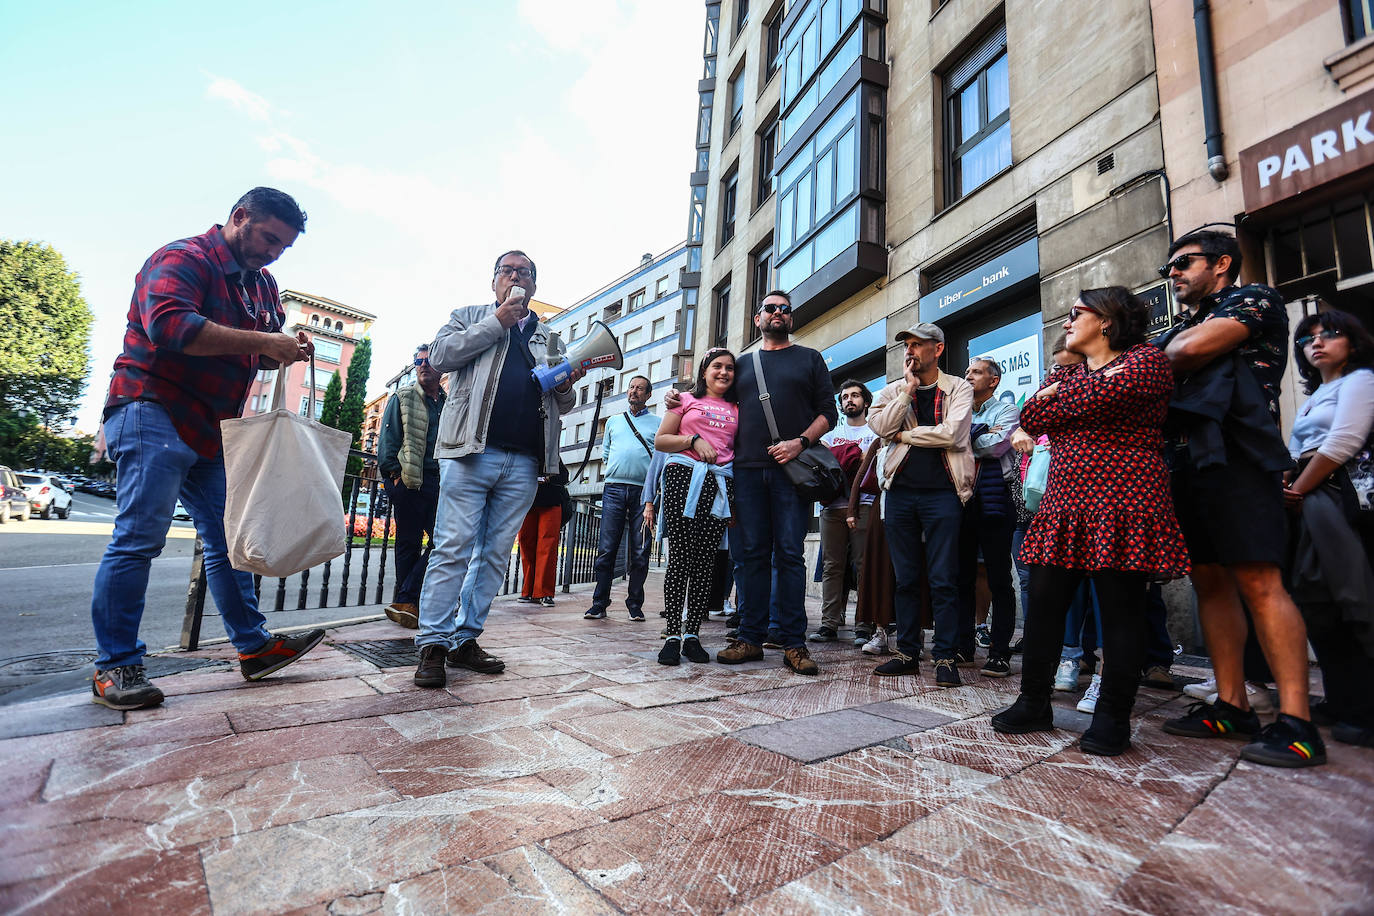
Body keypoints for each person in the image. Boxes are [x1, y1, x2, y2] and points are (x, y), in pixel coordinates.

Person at [91, 187, 324, 710]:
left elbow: (262, 351)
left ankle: (254, 648)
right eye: (269, 239)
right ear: (239, 217)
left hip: (213, 426)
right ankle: (115, 666)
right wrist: (263, 342)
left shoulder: (263, 285)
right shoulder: (183, 257)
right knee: (138, 540)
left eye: (284, 247)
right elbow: (170, 326)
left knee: (229, 540)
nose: (274, 254)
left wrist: (285, 348)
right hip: (152, 406)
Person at [992, 287, 1189, 755]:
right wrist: (1065, 394)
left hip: (1124, 500)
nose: (1066, 322)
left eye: (1076, 313)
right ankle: (1033, 702)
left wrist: (1064, 396)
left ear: (1106, 320)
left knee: (1120, 612)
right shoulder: (1071, 372)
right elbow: (1032, 415)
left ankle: (1113, 717)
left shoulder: (1146, 360)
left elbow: (1094, 399)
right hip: (1064, 503)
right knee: (1044, 607)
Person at [1155, 229, 1324, 768]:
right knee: (1209, 580)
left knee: (1259, 580)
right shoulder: (1184, 321)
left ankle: (1297, 724)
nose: (1173, 273)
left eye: (1184, 263)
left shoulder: (1254, 298)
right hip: (1185, 462)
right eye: (1169, 267)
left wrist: (1159, 359)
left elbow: (1184, 352)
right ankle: (1232, 705)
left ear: (1222, 262)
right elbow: (1162, 360)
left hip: (1240, 458)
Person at [412, 251, 581, 688]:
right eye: (507, 270)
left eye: (524, 272)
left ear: (535, 285)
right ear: (494, 282)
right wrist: (496, 322)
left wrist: (566, 384)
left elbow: (564, 403)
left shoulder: (550, 338)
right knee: (452, 548)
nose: (515, 276)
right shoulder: (467, 316)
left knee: (493, 554)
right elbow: (441, 357)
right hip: (469, 452)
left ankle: (465, 638)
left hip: (524, 462)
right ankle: (432, 643)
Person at [709, 291, 838, 676]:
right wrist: (677, 402)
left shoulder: (810, 358)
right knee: (750, 556)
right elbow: (715, 403)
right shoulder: (742, 365)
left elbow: (827, 413)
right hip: (746, 471)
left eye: (784, 309)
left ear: (790, 319)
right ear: (757, 319)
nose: (778, 313)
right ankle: (750, 637)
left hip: (792, 472)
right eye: (770, 308)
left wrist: (800, 443)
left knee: (789, 554)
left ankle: (793, 643)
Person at [1283, 309, 1374, 747]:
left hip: (1342, 497)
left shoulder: (1361, 380)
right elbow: (1296, 449)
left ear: (1352, 342)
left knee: (1354, 597)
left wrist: (1297, 489)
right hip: (1311, 499)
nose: (1316, 343)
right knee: (1319, 601)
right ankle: (1342, 700)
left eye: (1330, 334)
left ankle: (1366, 711)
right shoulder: (1317, 393)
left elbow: (1342, 443)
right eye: (1308, 338)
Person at [867, 322, 975, 686]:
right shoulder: (892, 390)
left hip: (944, 493)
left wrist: (905, 435)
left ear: (938, 349)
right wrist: (907, 393)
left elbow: (954, 435)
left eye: (918, 344)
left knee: (944, 579)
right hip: (900, 494)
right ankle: (907, 653)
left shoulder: (959, 387)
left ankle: (945, 656)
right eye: (907, 345)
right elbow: (882, 428)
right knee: (906, 579)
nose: (910, 351)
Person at [654, 348, 740, 664]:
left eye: (729, 367)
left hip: (719, 484)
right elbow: (661, 440)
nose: (723, 372)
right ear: (704, 371)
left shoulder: (738, 407)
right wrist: (692, 440)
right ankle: (672, 635)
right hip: (683, 477)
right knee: (680, 557)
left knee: (705, 562)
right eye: (717, 366)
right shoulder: (684, 400)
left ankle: (692, 635)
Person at [958, 357, 1021, 677]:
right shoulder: (958, 411)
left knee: (999, 579)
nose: (968, 376)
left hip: (997, 501)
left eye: (976, 372)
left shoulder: (1008, 410)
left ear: (993, 380)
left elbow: (995, 447)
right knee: (962, 578)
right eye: (967, 372)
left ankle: (999, 652)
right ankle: (963, 647)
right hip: (961, 499)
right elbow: (949, 443)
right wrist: (975, 433)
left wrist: (964, 438)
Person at [376, 344, 445, 629]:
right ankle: (409, 607)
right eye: (418, 362)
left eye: (428, 361)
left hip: (439, 482)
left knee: (443, 540)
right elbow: (388, 439)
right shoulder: (402, 396)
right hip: (408, 480)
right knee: (408, 544)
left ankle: (406, 598)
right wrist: (394, 476)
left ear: (441, 365)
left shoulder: (448, 402)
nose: (423, 365)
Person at [586, 375, 660, 621]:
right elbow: (606, 453)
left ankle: (635, 605)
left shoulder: (658, 423)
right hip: (614, 489)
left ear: (648, 395)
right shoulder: (614, 422)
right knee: (606, 549)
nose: (634, 391)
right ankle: (599, 603)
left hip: (644, 493)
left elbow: (660, 459)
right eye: (631, 387)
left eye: (640, 388)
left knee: (640, 551)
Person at [810, 379, 879, 643]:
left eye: (855, 395)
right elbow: (823, 462)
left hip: (865, 504)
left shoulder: (875, 433)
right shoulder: (829, 435)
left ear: (866, 401)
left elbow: (872, 463)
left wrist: (839, 455)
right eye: (845, 397)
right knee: (832, 566)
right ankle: (828, 624)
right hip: (831, 506)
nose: (849, 400)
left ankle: (864, 625)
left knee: (864, 565)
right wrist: (855, 454)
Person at [518, 463, 568, 606]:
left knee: (547, 547)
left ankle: (545, 592)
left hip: (551, 500)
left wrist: (547, 479)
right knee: (526, 544)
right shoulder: (525, 455)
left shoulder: (551, 455)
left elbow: (564, 476)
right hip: (527, 501)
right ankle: (528, 591)